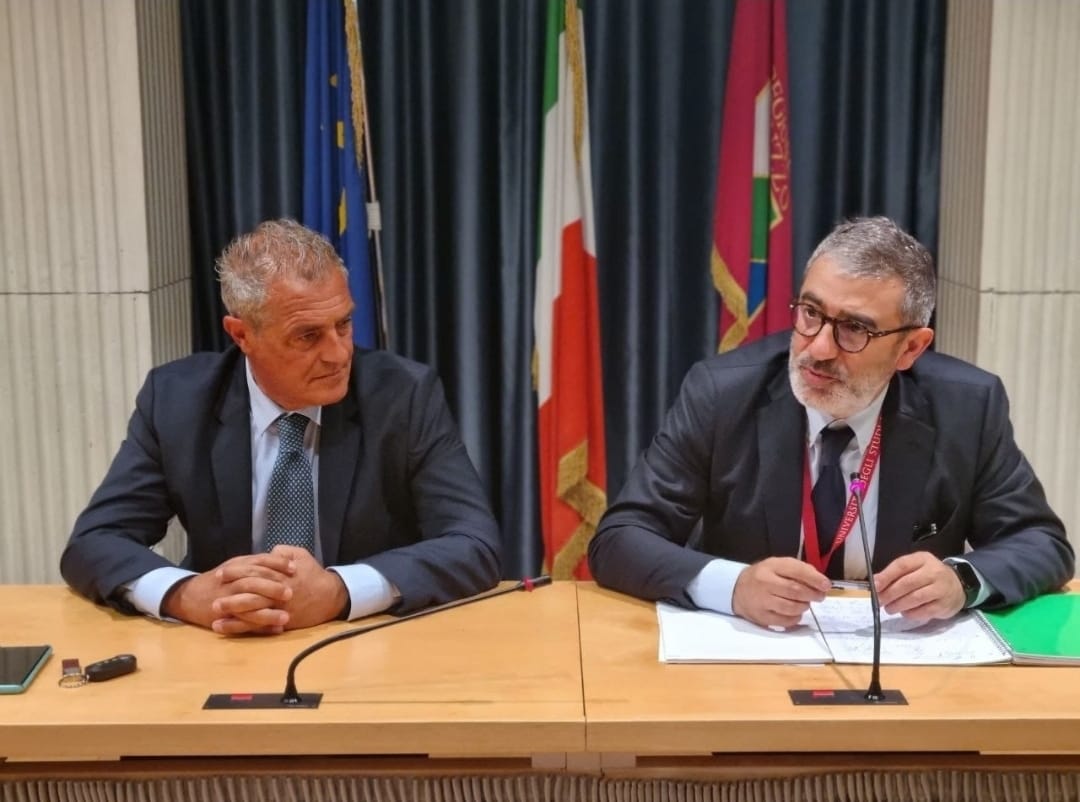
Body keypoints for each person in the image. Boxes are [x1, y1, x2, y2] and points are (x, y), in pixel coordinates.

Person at [589, 216, 1073, 629]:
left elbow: (1042, 543)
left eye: (854, 329)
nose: (818, 348)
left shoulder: (966, 407)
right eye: (811, 313)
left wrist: (961, 580)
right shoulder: (722, 395)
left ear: (911, 348)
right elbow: (620, 539)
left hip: (906, 668)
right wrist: (733, 586)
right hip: (749, 659)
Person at [62, 219, 502, 635]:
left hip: (362, 642)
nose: (338, 354)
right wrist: (185, 595)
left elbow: (474, 544)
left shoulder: (403, 395)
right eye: (307, 336)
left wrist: (339, 591)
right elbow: (95, 541)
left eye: (344, 324)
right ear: (241, 335)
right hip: (224, 643)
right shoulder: (178, 401)